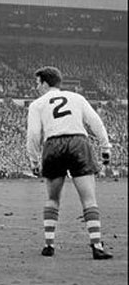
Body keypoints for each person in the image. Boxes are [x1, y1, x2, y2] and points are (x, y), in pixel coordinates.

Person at [26, 66, 113, 260]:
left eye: (37, 83)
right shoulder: (77, 98)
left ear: (45, 83)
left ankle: (49, 245)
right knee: (89, 199)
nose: (36, 87)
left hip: (53, 145)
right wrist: (105, 147)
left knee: (53, 198)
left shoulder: (37, 104)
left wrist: (33, 159)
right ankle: (97, 246)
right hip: (78, 143)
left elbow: (33, 134)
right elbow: (95, 122)